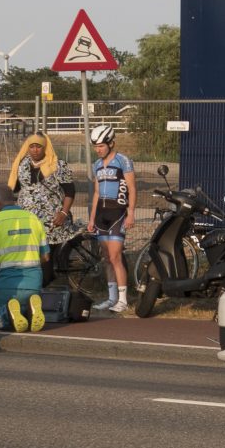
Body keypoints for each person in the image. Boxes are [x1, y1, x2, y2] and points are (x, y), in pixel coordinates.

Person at [0, 181, 50, 331]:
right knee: (20, 306)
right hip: (34, 283)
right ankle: (27, 308)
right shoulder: (33, 218)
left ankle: (5, 314)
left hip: (6, 284)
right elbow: (46, 257)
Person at [7, 131, 77, 282]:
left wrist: (64, 213)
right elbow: (16, 189)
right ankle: (39, 286)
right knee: (30, 255)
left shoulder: (57, 164)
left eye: (38, 146)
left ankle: (46, 287)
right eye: (31, 146)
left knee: (45, 256)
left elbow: (70, 191)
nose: (35, 150)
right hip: (27, 219)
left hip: (52, 220)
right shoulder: (21, 164)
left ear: (45, 147)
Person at [87, 124, 136, 311]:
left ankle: (123, 300)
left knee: (116, 256)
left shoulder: (123, 160)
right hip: (101, 214)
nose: (98, 149)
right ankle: (111, 297)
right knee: (107, 258)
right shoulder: (96, 165)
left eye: (101, 146)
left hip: (118, 212)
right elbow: (97, 193)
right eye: (95, 146)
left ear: (111, 143)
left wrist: (131, 213)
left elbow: (132, 188)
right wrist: (92, 219)